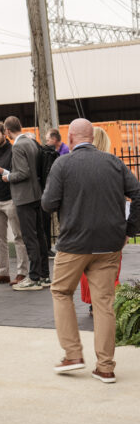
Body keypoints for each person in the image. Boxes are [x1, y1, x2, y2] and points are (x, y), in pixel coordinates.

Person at [42, 118, 140, 384]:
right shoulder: (114, 163)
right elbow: (138, 193)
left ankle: (73, 354)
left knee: (61, 291)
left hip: (74, 243)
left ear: (71, 138)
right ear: (93, 138)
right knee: (104, 303)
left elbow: (48, 204)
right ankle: (105, 367)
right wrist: (129, 232)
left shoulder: (62, 164)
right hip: (109, 244)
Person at [2, 116, 51, 291]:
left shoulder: (18, 146)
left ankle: (35, 277)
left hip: (24, 197)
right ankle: (44, 275)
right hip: (37, 194)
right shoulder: (31, 142)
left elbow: (22, 173)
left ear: (7, 131)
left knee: (30, 237)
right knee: (40, 236)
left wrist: (8, 176)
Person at [79, 126, 121, 315]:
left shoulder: (80, 166)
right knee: (111, 268)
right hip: (112, 227)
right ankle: (112, 301)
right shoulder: (115, 165)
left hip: (87, 227)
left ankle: (94, 302)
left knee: (89, 268)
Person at [0, 122, 29, 285]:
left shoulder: (14, 150)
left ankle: (22, 272)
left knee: (18, 236)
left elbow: (18, 173)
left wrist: (1, 171)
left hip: (11, 198)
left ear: (4, 133)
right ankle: (3, 272)